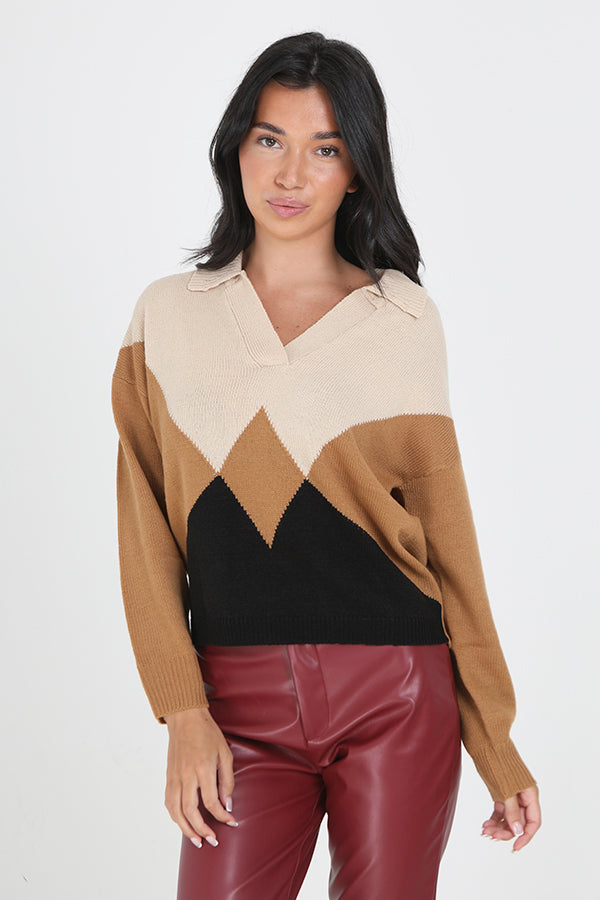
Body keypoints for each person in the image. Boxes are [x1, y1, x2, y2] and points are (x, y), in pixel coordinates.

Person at [111, 30, 541, 900]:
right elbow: (144, 523)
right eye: (270, 139)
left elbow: (450, 544)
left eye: (325, 149)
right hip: (234, 705)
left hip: (399, 695)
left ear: (357, 171)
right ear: (236, 146)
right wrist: (182, 709)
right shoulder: (168, 318)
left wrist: (494, 742)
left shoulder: (402, 320)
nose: (290, 174)